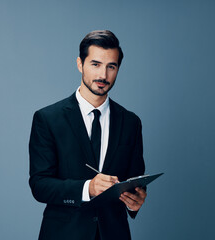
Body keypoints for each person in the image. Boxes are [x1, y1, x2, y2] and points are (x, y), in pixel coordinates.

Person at [29, 30, 147, 240]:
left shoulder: (131, 122)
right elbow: (40, 185)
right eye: (95, 64)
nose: (103, 75)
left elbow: (135, 179)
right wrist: (87, 188)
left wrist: (135, 201)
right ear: (80, 64)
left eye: (111, 66)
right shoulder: (48, 119)